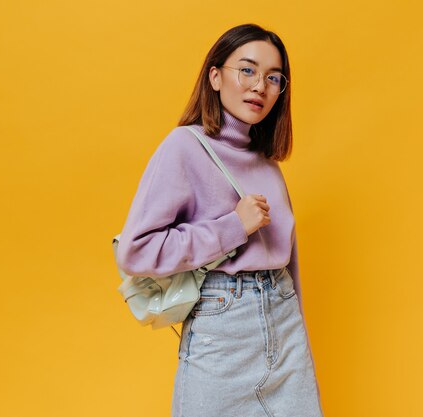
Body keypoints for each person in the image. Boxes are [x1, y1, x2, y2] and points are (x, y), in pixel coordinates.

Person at [115, 23, 324, 417]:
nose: (260, 86)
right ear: (215, 76)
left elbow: (287, 265)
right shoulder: (183, 147)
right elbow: (136, 251)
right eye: (246, 70)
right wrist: (231, 227)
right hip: (222, 330)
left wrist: (298, 336)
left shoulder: (267, 164)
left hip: (285, 324)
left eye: (273, 77)